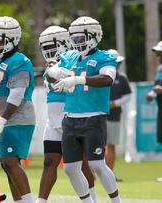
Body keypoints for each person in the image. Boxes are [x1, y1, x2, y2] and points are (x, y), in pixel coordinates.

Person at [49, 16, 121, 203]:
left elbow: (107, 80)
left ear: (95, 36)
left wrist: (79, 80)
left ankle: (116, 201)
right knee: (70, 169)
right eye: (75, 38)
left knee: (97, 164)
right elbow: (51, 75)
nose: (78, 42)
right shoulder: (69, 56)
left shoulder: (104, 57)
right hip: (70, 118)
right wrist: (52, 73)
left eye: (82, 38)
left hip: (93, 118)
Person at [36, 25, 96, 203]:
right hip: (53, 121)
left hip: (72, 117)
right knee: (49, 162)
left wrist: (59, 71)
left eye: (52, 46)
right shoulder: (52, 65)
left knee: (82, 164)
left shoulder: (75, 61)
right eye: (45, 47)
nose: (49, 51)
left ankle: (92, 200)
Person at [0, 16, 35, 203]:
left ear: (12, 40)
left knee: (10, 161)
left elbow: (16, 96)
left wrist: (1, 121)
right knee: (7, 164)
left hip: (16, 119)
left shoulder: (19, 61)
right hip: (3, 120)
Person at [105, 49, 131, 182]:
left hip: (114, 116)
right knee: (97, 145)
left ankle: (109, 175)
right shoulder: (101, 76)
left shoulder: (122, 78)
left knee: (111, 145)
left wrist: (115, 103)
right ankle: (94, 174)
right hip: (99, 116)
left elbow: (128, 96)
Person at [146, 41, 162, 182]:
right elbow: (156, 87)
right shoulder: (159, 69)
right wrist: (152, 94)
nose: (158, 56)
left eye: (160, 53)